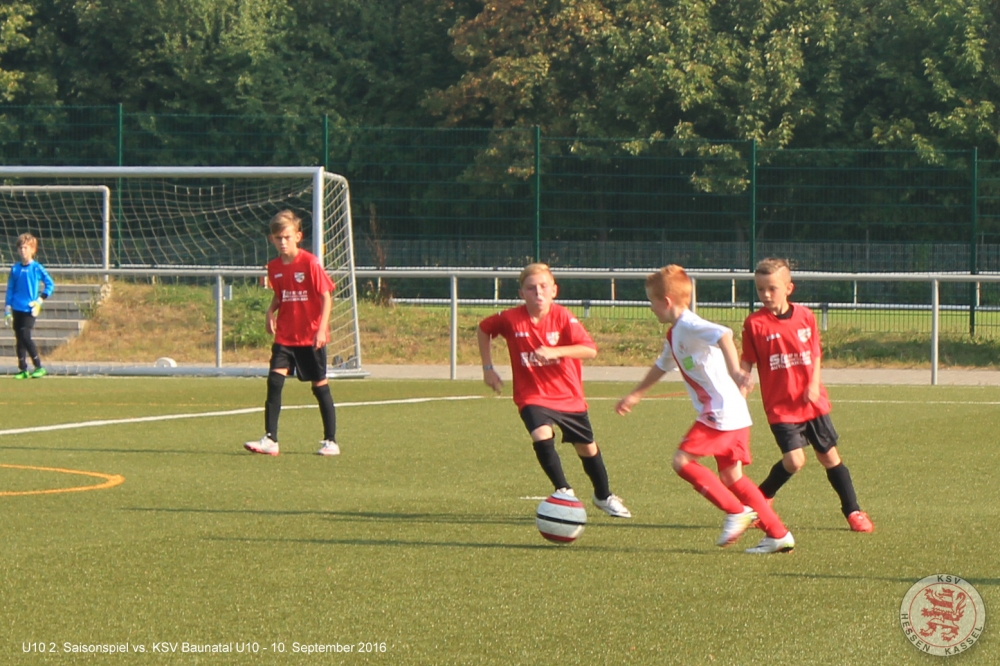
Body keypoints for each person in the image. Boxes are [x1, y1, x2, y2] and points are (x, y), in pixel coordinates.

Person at [616, 265, 794, 553]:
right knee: (732, 478)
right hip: (732, 411)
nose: (650, 307)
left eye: (652, 301)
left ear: (667, 301)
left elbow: (723, 334)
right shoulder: (675, 334)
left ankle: (736, 511)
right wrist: (635, 394)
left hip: (721, 411)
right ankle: (778, 533)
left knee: (682, 462)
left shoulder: (689, 324)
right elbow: (662, 365)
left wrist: (735, 371)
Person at [477, 263, 631, 518]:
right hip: (532, 395)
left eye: (543, 286)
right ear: (521, 293)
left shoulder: (563, 317)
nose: (538, 292)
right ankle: (563, 490)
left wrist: (555, 351)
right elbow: (484, 329)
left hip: (568, 395)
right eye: (531, 288)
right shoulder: (510, 318)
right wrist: (487, 368)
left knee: (586, 447)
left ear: (554, 291)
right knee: (541, 434)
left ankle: (603, 496)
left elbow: (589, 350)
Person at [740, 258, 873, 532]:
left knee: (829, 457)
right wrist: (742, 383)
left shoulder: (805, 316)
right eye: (760, 289)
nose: (766, 295)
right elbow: (747, 361)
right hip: (781, 407)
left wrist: (813, 384)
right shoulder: (754, 324)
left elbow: (814, 354)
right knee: (794, 460)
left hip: (812, 403)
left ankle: (853, 512)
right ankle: (760, 500)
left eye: (772, 288)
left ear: (789, 288)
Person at [244, 210, 340, 457]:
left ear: (298, 236)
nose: (283, 242)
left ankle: (331, 440)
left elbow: (326, 297)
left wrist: (321, 329)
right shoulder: (274, 267)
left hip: (310, 336)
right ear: (272, 239)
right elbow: (281, 294)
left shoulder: (310, 263)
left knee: (319, 386)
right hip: (286, 335)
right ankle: (270, 439)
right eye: (278, 238)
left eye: (287, 237)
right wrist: (270, 311)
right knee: (274, 381)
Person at [5, 233, 55, 379]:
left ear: (33, 249)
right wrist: (7, 307)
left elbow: (50, 284)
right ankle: (23, 369)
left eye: (25, 247)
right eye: (20, 248)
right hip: (16, 308)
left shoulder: (37, 268)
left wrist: (40, 300)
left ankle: (39, 366)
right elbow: (10, 289)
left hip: (30, 309)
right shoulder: (15, 269)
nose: (23, 250)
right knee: (19, 339)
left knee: (25, 336)